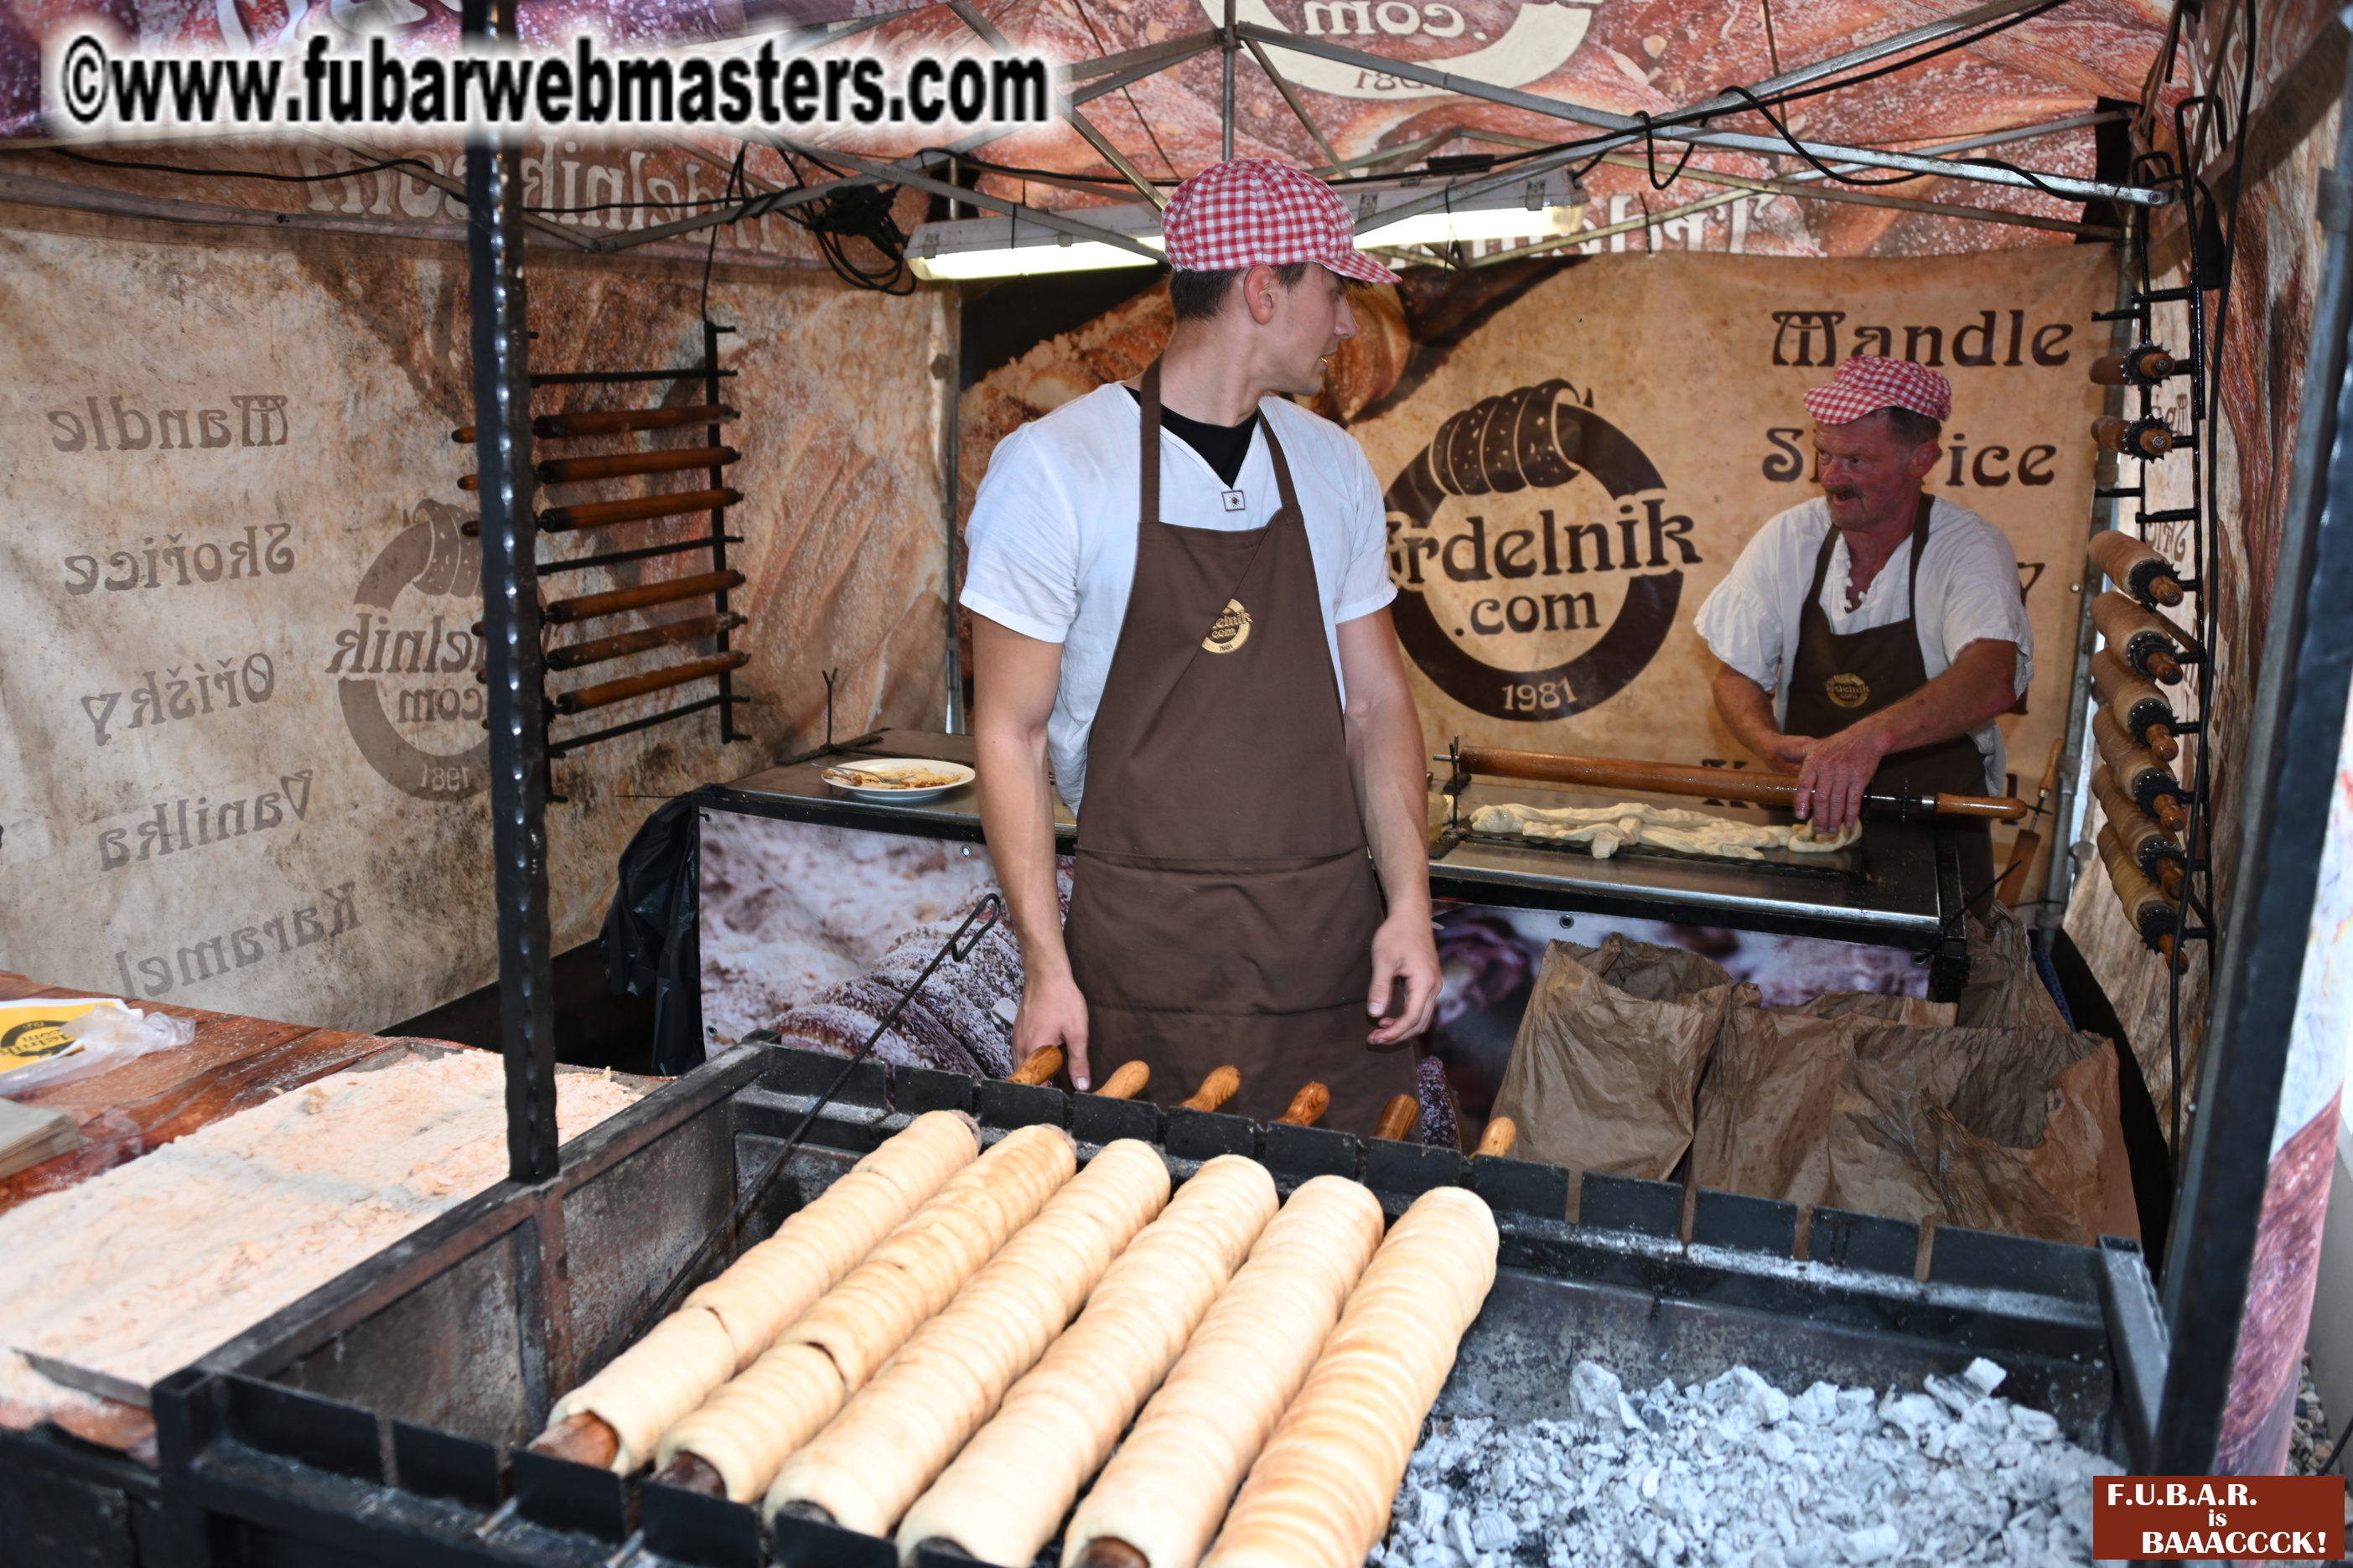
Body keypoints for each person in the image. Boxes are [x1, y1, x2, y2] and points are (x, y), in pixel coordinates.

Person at [961, 158, 1442, 1132]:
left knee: (1343, 1214)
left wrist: (1408, 902)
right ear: (1263, 290)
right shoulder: (1056, 469)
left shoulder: (1331, 465)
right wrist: (1046, 966)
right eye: (1332, 291)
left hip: (1325, 960)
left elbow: (1375, 704)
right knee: (1150, 1216)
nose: (1345, 324)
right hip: (1147, 965)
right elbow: (1009, 733)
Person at [1693, 356, 2033, 898]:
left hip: (1934, 847)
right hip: (1807, 840)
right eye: (1824, 453)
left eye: (1855, 460)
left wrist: (1868, 739)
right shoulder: (1789, 540)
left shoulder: (1966, 548)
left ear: (1921, 458)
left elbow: (1993, 675)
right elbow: (1736, 675)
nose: (1830, 477)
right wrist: (1766, 742)